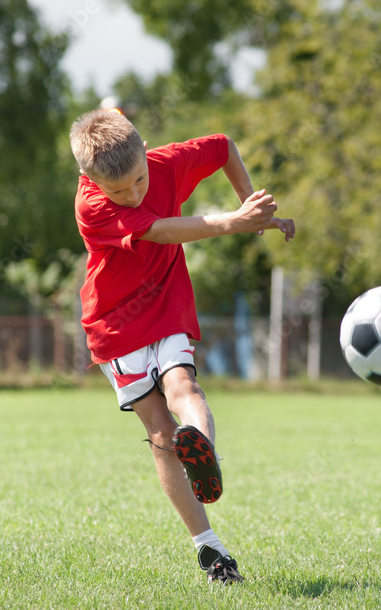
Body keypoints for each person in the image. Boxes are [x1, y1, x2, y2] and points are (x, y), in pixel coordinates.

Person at [69, 109, 295, 584]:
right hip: (115, 327)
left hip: (166, 308)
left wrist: (248, 205)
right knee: (158, 431)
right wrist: (235, 221)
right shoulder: (93, 205)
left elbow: (223, 147)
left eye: (139, 180)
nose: (133, 194)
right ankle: (210, 550)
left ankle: (202, 450)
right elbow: (160, 230)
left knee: (183, 388)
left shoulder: (168, 162)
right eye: (120, 191)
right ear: (90, 180)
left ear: (147, 153)